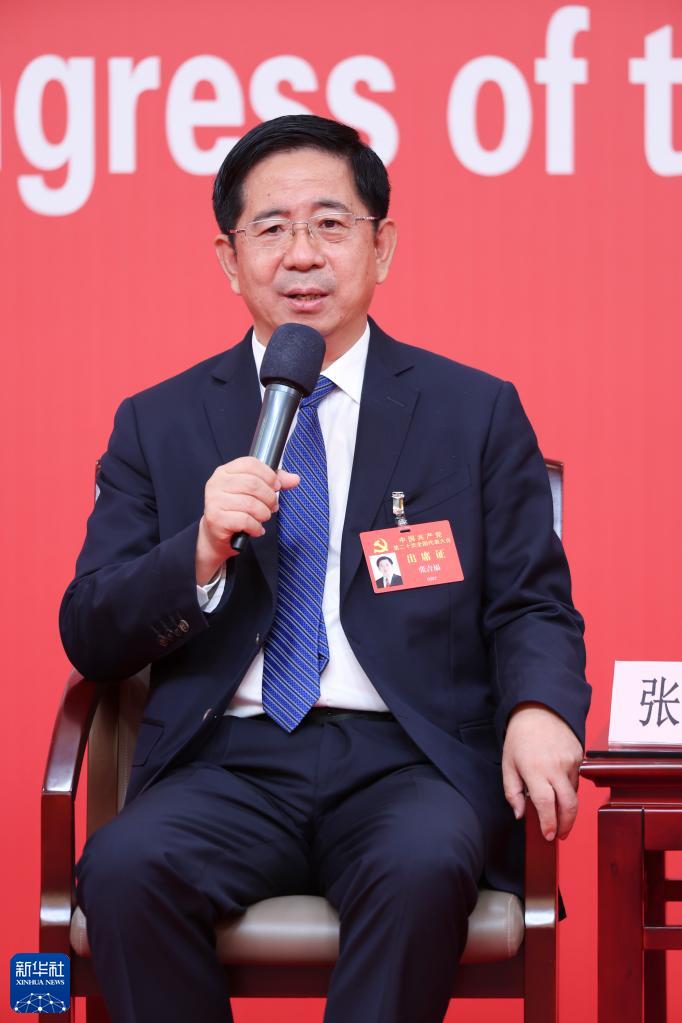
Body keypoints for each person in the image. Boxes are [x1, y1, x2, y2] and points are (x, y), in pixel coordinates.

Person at [60, 114, 590, 1023]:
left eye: (330, 224)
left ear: (381, 247)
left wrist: (540, 708)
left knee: (422, 865)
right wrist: (196, 550)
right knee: (123, 868)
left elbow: (532, 603)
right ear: (230, 260)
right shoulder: (159, 421)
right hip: (225, 763)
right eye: (271, 228)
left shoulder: (472, 411)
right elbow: (91, 629)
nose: (301, 254)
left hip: (407, 761)